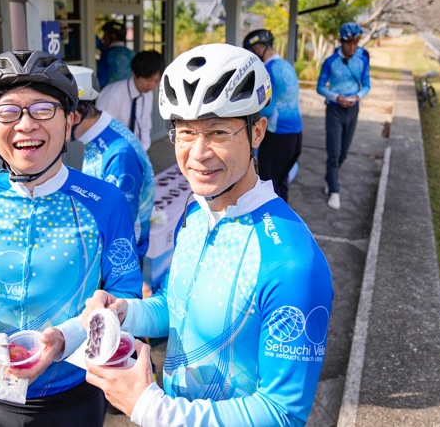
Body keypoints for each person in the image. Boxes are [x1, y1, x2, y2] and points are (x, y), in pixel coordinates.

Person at [81, 44, 334, 426]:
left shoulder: (293, 262)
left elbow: (283, 413)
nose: (198, 153)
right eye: (185, 133)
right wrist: (124, 313)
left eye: (217, 131)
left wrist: (151, 408)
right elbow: (176, 306)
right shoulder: (198, 212)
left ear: (257, 132)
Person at [0, 50, 143, 426]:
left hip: (76, 388)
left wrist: (68, 337)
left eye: (43, 109)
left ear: (71, 119)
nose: (25, 125)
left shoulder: (105, 202)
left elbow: (127, 294)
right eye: (7, 112)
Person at [68, 65, 155, 266]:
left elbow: (121, 224)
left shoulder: (118, 153)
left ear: (76, 117)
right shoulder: (100, 133)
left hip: (119, 260)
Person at [242, 29, 302, 202]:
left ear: (258, 50)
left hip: (277, 135)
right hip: (295, 134)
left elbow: (267, 108)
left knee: (269, 185)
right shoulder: (286, 65)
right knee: (281, 182)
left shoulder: (267, 70)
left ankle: (271, 225)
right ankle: (285, 221)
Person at [317, 21, 371, 210]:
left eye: (355, 43)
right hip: (334, 109)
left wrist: (358, 96)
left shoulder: (362, 59)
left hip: (353, 108)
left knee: (343, 153)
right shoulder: (330, 62)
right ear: (342, 41)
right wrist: (335, 97)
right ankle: (334, 190)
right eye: (349, 43)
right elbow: (320, 87)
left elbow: (366, 84)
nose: (352, 47)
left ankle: (329, 177)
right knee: (334, 152)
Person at [96, 50, 164, 151]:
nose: (152, 85)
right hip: (112, 152)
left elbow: (145, 126)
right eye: (149, 79)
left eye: (157, 81)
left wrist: (142, 149)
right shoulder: (113, 95)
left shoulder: (147, 94)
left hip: (136, 151)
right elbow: (101, 131)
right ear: (134, 73)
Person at [97, 20, 135, 88]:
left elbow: (101, 81)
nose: (103, 38)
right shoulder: (132, 54)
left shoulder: (107, 55)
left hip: (110, 94)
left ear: (113, 36)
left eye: (105, 34)